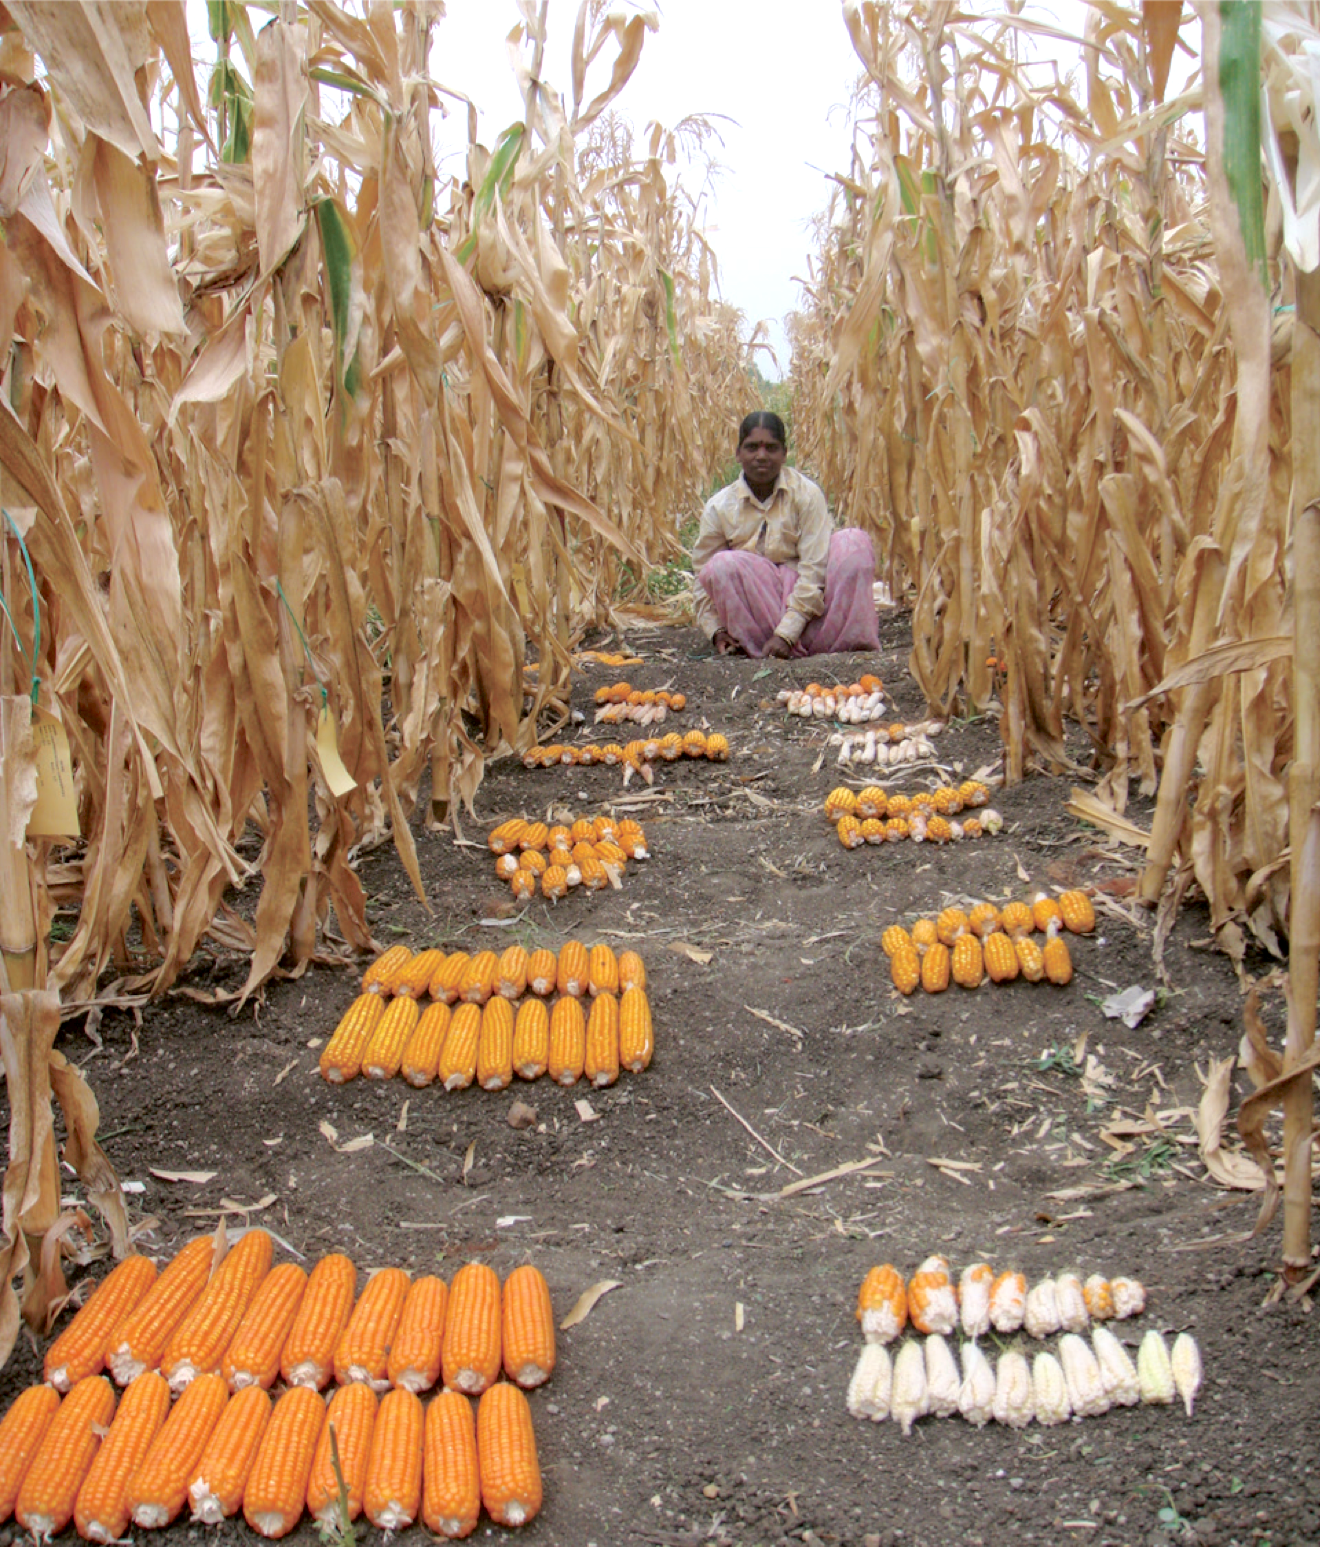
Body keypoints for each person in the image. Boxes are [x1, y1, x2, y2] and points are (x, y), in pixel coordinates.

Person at [690, 412, 881, 659]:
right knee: (721, 565)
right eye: (751, 448)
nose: (761, 456)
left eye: (771, 448)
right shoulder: (719, 507)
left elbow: (814, 570)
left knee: (853, 543)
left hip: (812, 609)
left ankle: (841, 642)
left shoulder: (806, 494)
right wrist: (715, 630)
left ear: (784, 454)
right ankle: (760, 644)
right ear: (738, 453)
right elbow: (702, 577)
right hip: (760, 611)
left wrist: (787, 634)